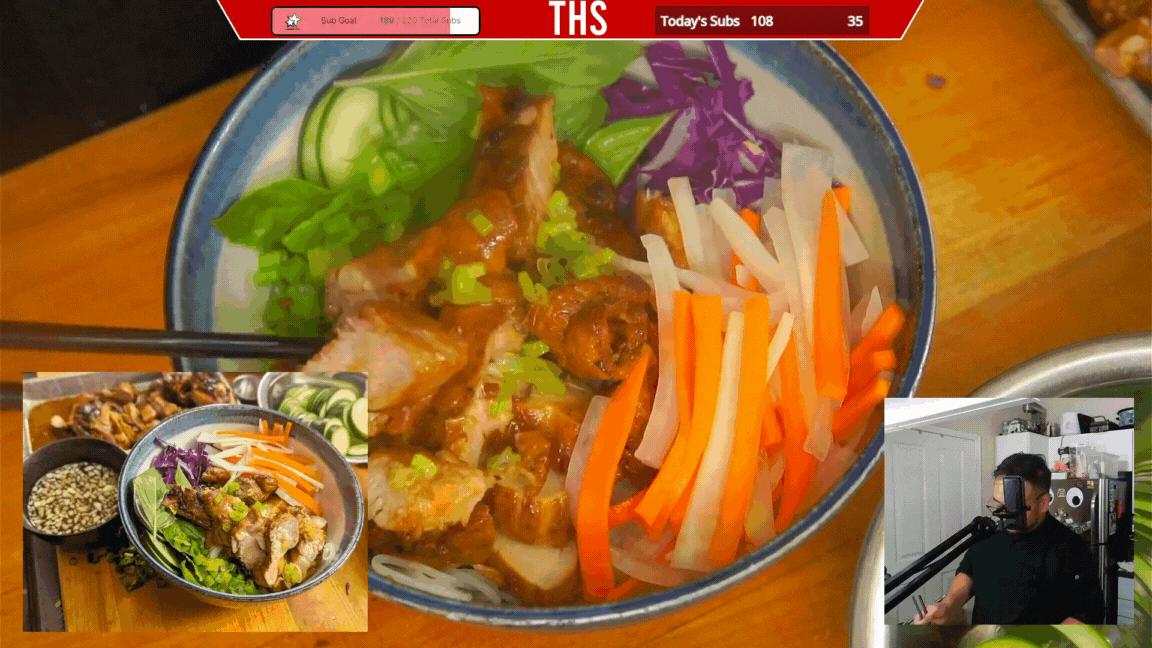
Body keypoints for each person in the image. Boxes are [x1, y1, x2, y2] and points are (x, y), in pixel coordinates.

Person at [913, 453, 1105, 625]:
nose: (1002, 515)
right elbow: (969, 572)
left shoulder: (1071, 547)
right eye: (998, 504)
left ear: (1044, 502)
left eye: (1013, 508)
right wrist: (948, 605)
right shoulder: (987, 535)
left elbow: (1087, 611)